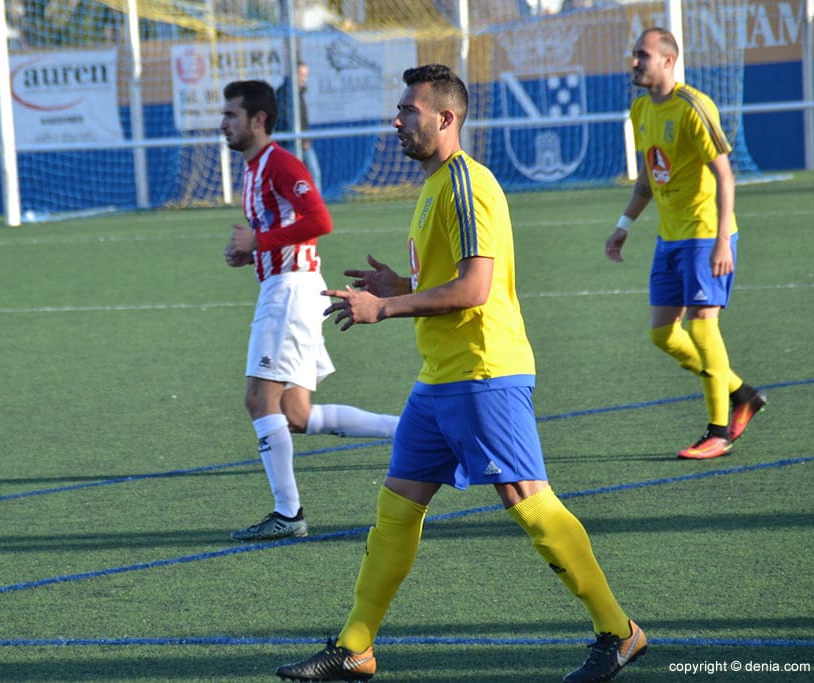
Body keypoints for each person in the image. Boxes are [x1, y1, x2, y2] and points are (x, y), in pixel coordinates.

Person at [275, 64, 646, 683]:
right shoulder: (435, 185)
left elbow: (477, 287)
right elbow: (452, 277)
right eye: (398, 109)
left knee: (528, 503)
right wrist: (405, 284)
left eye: (409, 110)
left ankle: (619, 631)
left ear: (445, 118)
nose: (397, 120)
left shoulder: (466, 185)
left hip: (483, 372)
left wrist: (386, 306)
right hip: (440, 378)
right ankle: (356, 647)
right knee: (397, 507)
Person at [220, 80, 399, 543]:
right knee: (296, 414)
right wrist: (251, 254)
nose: (223, 124)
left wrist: (259, 242)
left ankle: (288, 513)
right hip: (283, 288)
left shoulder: (280, 163)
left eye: (231, 116)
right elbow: (285, 230)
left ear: (257, 120)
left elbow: (320, 220)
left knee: (259, 400)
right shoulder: (253, 169)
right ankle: (413, 431)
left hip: (291, 293)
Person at [604, 28, 766, 460]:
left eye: (643, 55)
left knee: (701, 326)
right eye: (634, 54)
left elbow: (725, 176)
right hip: (670, 237)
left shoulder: (694, 106)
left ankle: (719, 432)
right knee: (662, 333)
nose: (634, 62)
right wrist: (624, 225)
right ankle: (740, 392)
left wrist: (721, 243)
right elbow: (647, 178)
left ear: (669, 61)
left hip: (705, 234)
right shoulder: (640, 110)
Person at [276, 62, 322, 192]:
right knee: (294, 176)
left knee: (314, 173)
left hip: (302, 140)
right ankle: (296, 205)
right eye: (300, 74)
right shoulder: (284, 93)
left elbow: (302, 119)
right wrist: (299, 138)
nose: (303, 77)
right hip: (290, 142)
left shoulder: (299, 92)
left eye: (305, 74)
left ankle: (316, 204)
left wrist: (305, 138)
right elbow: (286, 118)